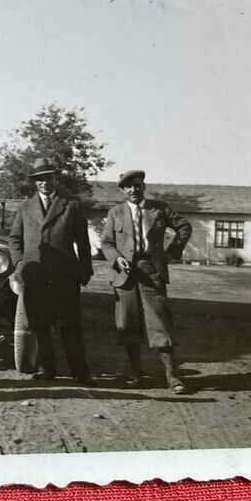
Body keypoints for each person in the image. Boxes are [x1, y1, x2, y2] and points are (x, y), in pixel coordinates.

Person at [100, 169, 193, 394]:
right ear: (122, 190)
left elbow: (184, 226)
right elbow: (107, 242)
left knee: (160, 322)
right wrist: (117, 259)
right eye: (128, 186)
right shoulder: (115, 213)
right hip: (125, 275)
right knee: (127, 324)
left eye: (137, 185)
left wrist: (171, 252)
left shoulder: (159, 209)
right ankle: (136, 375)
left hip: (151, 271)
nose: (133, 189)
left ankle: (172, 377)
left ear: (144, 187)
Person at [6, 158, 95, 383]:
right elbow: (14, 238)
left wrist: (85, 270)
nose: (44, 183)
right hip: (35, 275)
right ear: (34, 182)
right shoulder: (25, 207)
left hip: (65, 276)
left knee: (70, 325)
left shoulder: (71, 205)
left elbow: (83, 242)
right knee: (40, 324)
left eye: (47, 178)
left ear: (55, 179)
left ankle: (80, 372)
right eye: (39, 179)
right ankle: (48, 369)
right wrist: (20, 263)